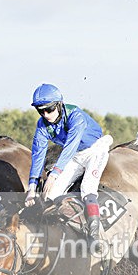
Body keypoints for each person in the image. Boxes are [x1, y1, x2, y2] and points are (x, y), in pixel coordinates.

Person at [25, 83, 113, 241]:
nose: (45, 114)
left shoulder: (75, 116)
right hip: (76, 156)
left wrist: (53, 175)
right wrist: (31, 188)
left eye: (49, 109)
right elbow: (38, 155)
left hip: (95, 150)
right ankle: (70, 230)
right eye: (40, 110)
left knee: (87, 188)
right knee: (51, 194)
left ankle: (94, 235)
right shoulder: (42, 125)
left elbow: (70, 147)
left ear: (59, 104)